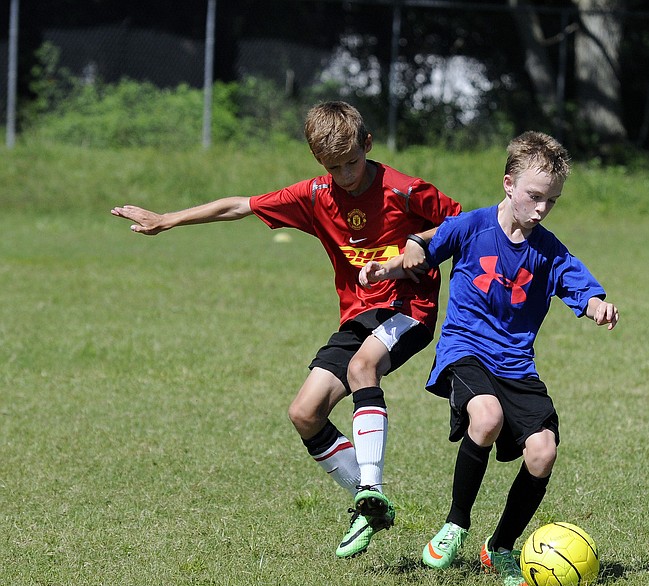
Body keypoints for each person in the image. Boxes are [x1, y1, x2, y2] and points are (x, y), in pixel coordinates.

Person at [111, 101, 462, 558]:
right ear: (319, 161)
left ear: (368, 144)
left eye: (352, 162)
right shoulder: (316, 195)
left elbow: (465, 224)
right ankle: (371, 507)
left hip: (408, 309)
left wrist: (418, 242)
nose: (346, 175)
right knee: (305, 412)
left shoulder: (405, 190)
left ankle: (370, 488)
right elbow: (239, 205)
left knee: (362, 368)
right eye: (334, 167)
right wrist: (167, 219)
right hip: (358, 316)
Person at [359, 131, 618, 586]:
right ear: (508, 184)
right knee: (487, 416)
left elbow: (580, 285)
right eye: (534, 196)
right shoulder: (471, 226)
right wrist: (388, 267)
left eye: (552, 201)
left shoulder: (549, 250)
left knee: (543, 452)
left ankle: (499, 547)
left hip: (516, 364)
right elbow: (424, 250)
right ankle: (455, 524)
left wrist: (597, 306)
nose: (542, 209)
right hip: (465, 350)